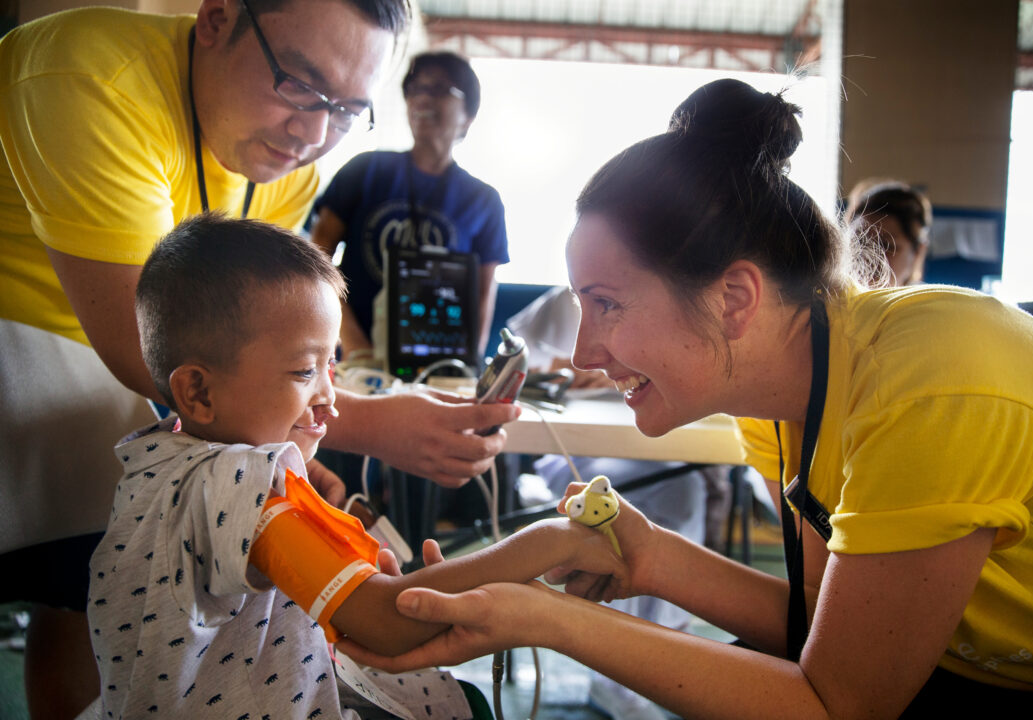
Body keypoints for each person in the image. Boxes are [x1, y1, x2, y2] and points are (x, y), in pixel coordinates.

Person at [339, 78, 1033, 716]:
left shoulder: (937, 381)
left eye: (607, 304)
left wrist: (543, 618)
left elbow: (842, 704)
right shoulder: (783, 402)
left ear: (733, 297)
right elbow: (821, 624)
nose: (583, 352)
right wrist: (649, 556)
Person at [0, 2, 516, 717]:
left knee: (83, 596)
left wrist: (291, 434)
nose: (312, 132)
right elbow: (142, 339)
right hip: (29, 343)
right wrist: (366, 426)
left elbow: (257, 338)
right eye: (299, 86)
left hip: (138, 389)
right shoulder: (93, 76)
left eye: (345, 109)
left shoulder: (284, 162)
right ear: (215, 18)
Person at [88, 212, 624, 719]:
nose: (329, 397)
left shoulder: (155, 458)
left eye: (332, 364)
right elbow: (390, 621)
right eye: (303, 371)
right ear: (198, 391)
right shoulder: (243, 486)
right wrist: (552, 541)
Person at [507, 285, 709, 720]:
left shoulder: (667, 292)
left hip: (650, 447)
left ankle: (656, 641)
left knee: (682, 489)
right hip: (581, 448)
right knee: (629, 498)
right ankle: (621, 674)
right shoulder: (564, 301)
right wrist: (559, 371)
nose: (584, 350)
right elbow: (519, 361)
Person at [312, 50, 508, 364]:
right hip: (351, 358)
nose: (423, 100)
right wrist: (353, 343)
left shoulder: (483, 200)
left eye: (441, 90)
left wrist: (468, 364)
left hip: (436, 361)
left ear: (468, 115)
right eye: (416, 90)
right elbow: (316, 257)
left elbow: (483, 294)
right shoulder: (365, 170)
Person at [843, 178, 933, 287]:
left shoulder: (930, 302)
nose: (867, 257)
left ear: (918, 252)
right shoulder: (826, 298)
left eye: (885, 245)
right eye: (858, 242)